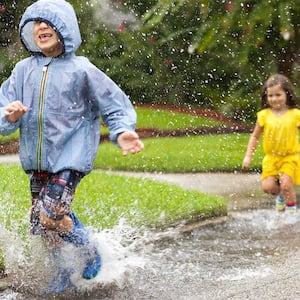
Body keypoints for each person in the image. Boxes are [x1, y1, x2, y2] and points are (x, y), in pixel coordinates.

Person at [0, 0, 144, 293]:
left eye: (49, 22)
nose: (41, 27)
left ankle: (88, 247)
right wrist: (8, 115)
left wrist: (122, 131)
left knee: (50, 214)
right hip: (37, 160)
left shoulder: (82, 69)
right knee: (41, 225)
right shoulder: (22, 70)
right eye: (36, 23)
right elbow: (4, 110)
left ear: (65, 29)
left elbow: (113, 104)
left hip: (70, 157)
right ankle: (64, 271)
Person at [242, 73, 300, 224]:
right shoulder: (264, 116)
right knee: (268, 187)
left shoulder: (295, 115)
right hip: (271, 158)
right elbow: (255, 137)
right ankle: (281, 195)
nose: (274, 99)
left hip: (290, 157)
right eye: (271, 95)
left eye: (278, 95)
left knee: (287, 184)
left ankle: (291, 211)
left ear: (287, 94)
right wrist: (248, 156)